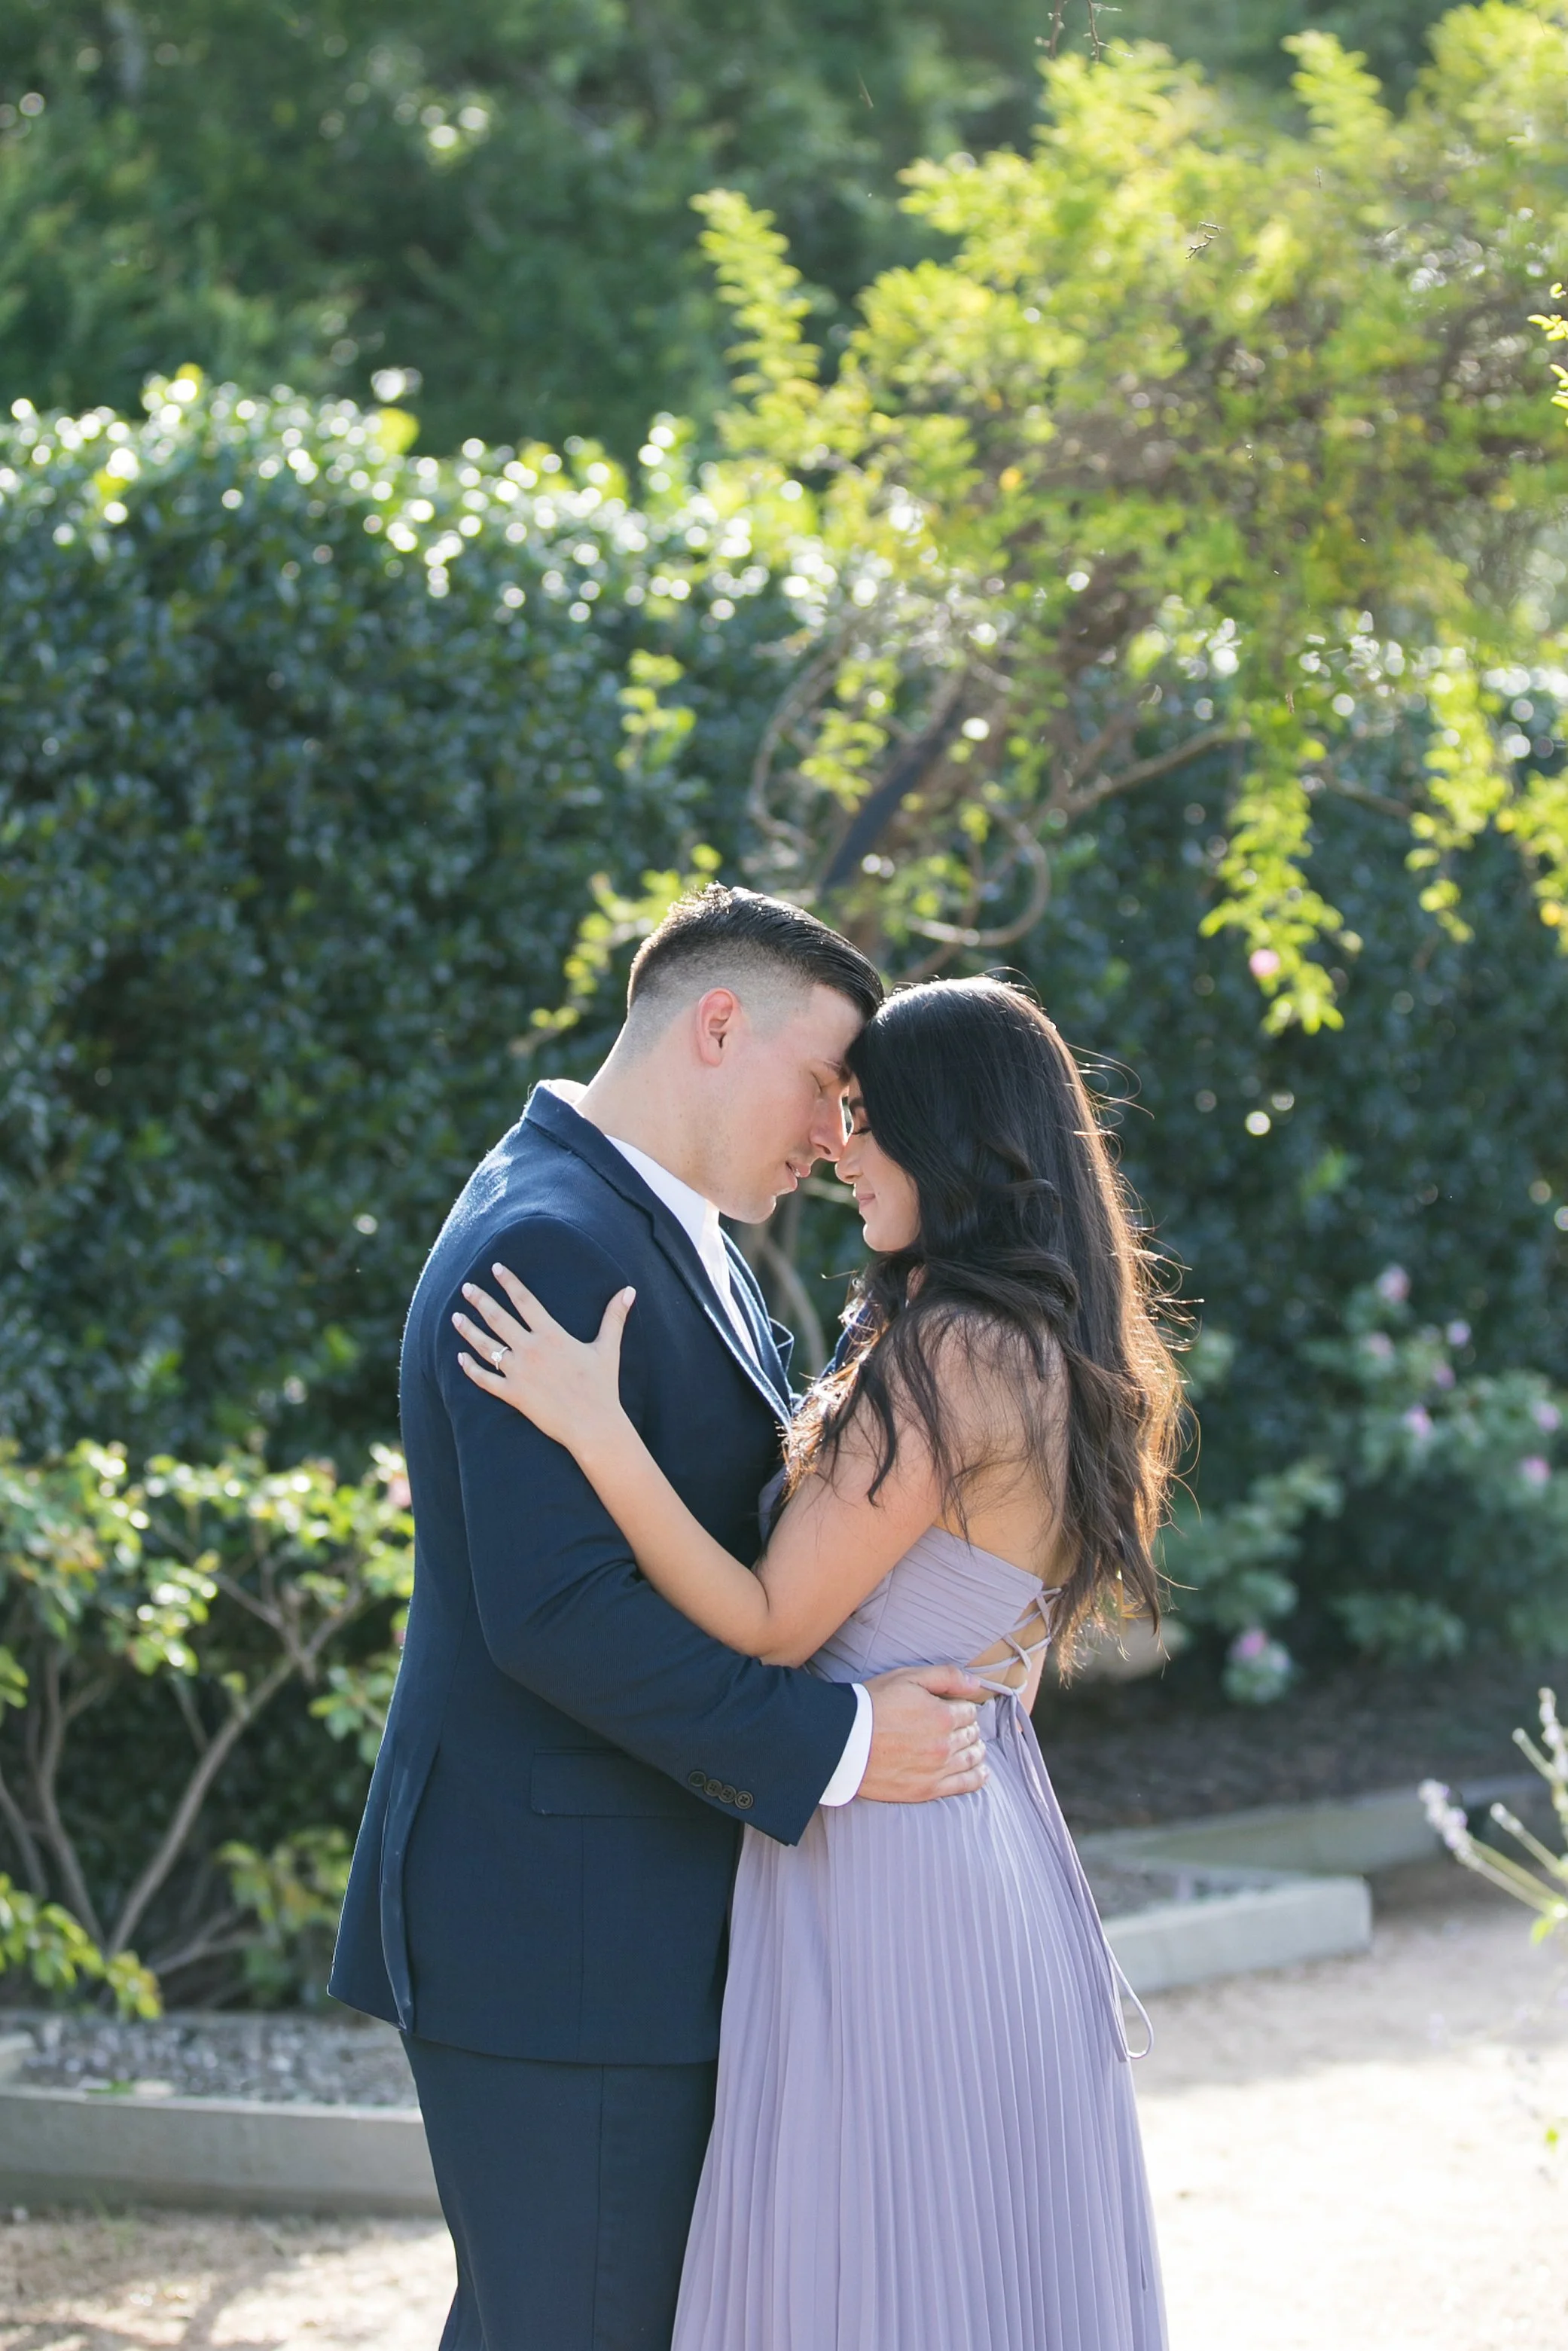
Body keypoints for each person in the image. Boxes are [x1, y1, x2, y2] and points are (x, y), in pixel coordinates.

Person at [455, 972, 1180, 2351]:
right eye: (838, 1110)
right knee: (957, 2270)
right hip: (982, 1847)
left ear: (953, 1138)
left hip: (888, 1868)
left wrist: (591, 1425)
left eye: (870, 1117)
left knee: (865, 2270)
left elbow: (770, 1620)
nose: (841, 1148)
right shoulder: (1040, 1347)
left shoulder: (951, 1352)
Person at [329, 886, 991, 2351]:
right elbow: (558, 1617)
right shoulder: (551, 1240)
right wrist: (837, 1746)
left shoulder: (677, 1234)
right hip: (558, 1935)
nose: (836, 1136)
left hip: (616, 1928)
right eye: (827, 1085)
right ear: (715, 1025)